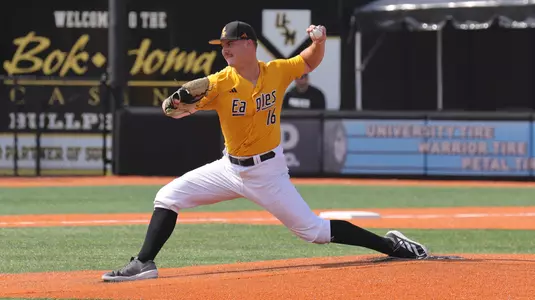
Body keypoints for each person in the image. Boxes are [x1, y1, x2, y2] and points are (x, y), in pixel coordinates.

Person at [101, 20, 429, 282]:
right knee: (168, 196)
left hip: (268, 172)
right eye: (222, 45)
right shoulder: (218, 83)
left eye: (231, 43)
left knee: (314, 231)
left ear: (249, 43)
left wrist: (319, 42)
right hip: (229, 169)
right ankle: (144, 263)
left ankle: (391, 245)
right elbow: (175, 111)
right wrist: (175, 102)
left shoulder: (276, 71)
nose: (225, 48)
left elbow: (307, 63)